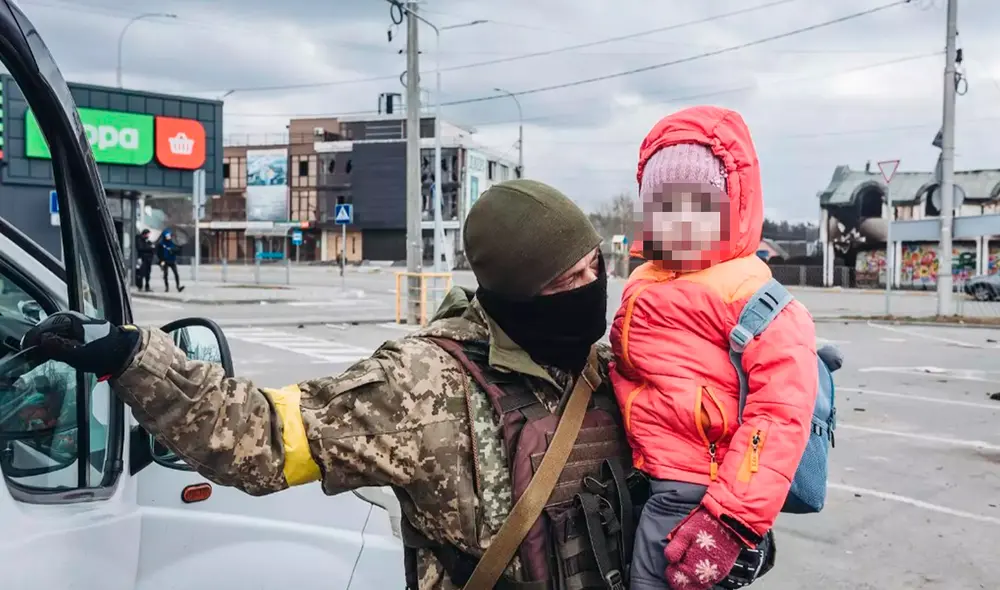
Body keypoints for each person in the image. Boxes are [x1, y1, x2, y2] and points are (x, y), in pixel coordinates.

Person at [22, 179, 632, 590]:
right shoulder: (421, 386)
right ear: (511, 293)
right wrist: (136, 359)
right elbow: (259, 436)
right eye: (562, 282)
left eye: (593, 269)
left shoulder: (604, 366)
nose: (587, 289)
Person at [610, 106, 818, 590]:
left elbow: (778, 417)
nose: (678, 219)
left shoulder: (751, 294)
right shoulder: (646, 278)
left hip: (696, 490)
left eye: (697, 204)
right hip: (644, 468)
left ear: (734, 206)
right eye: (663, 204)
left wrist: (730, 520)